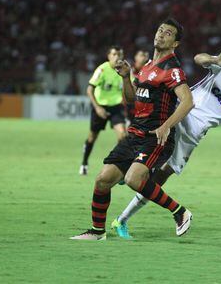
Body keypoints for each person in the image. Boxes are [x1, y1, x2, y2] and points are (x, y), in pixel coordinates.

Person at [111, 45, 221, 239]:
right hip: (181, 111)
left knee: (160, 178)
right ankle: (128, 168)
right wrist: (214, 60)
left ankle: (121, 220)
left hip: (195, 132)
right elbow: (198, 58)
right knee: (148, 137)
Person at [70, 18, 194, 241]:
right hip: (134, 134)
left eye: (168, 33)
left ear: (175, 43)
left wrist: (166, 126)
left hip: (155, 138)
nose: (161, 34)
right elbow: (131, 100)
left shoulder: (172, 70)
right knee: (102, 180)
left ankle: (180, 212)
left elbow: (187, 101)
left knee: (133, 179)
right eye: (160, 30)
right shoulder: (147, 67)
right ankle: (98, 232)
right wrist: (126, 77)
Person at [79, 46, 127, 176]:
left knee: (123, 136)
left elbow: (131, 87)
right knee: (92, 137)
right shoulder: (102, 69)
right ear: (109, 56)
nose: (118, 57)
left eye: (120, 54)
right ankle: (84, 163)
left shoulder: (125, 70)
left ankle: (118, 165)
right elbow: (89, 90)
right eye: (115, 54)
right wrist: (97, 107)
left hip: (116, 107)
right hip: (100, 106)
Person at [125, 50, 150, 124]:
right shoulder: (128, 71)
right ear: (135, 57)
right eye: (142, 55)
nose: (145, 57)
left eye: (146, 55)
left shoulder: (150, 72)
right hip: (129, 109)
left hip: (145, 110)